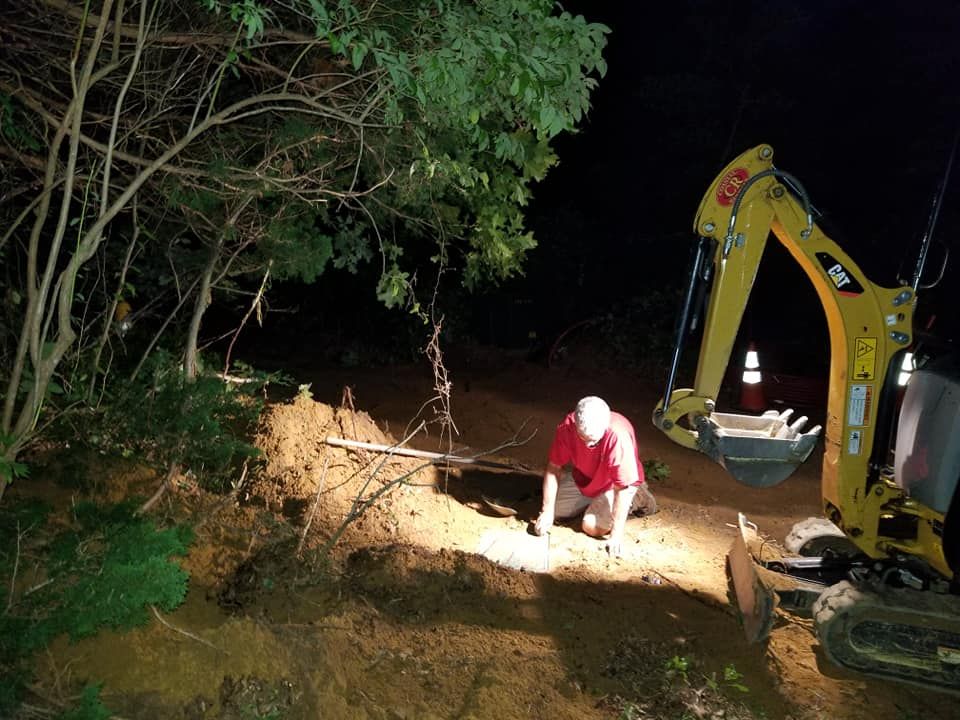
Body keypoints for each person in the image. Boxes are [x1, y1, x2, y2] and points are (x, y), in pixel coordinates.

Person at [534, 396, 656, 557]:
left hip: (618, 484)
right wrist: (547, 511)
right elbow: (554, 467)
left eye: (593, 441)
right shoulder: (567, 427)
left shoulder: (617, 436)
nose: (587, 445)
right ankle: (594, 501)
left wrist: (616, 536)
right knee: (554, 511)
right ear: (576, 424)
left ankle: (640, 495)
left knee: (591, 526)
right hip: (587, 479)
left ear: (604, 426)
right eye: (582, 438)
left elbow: (622, 489)